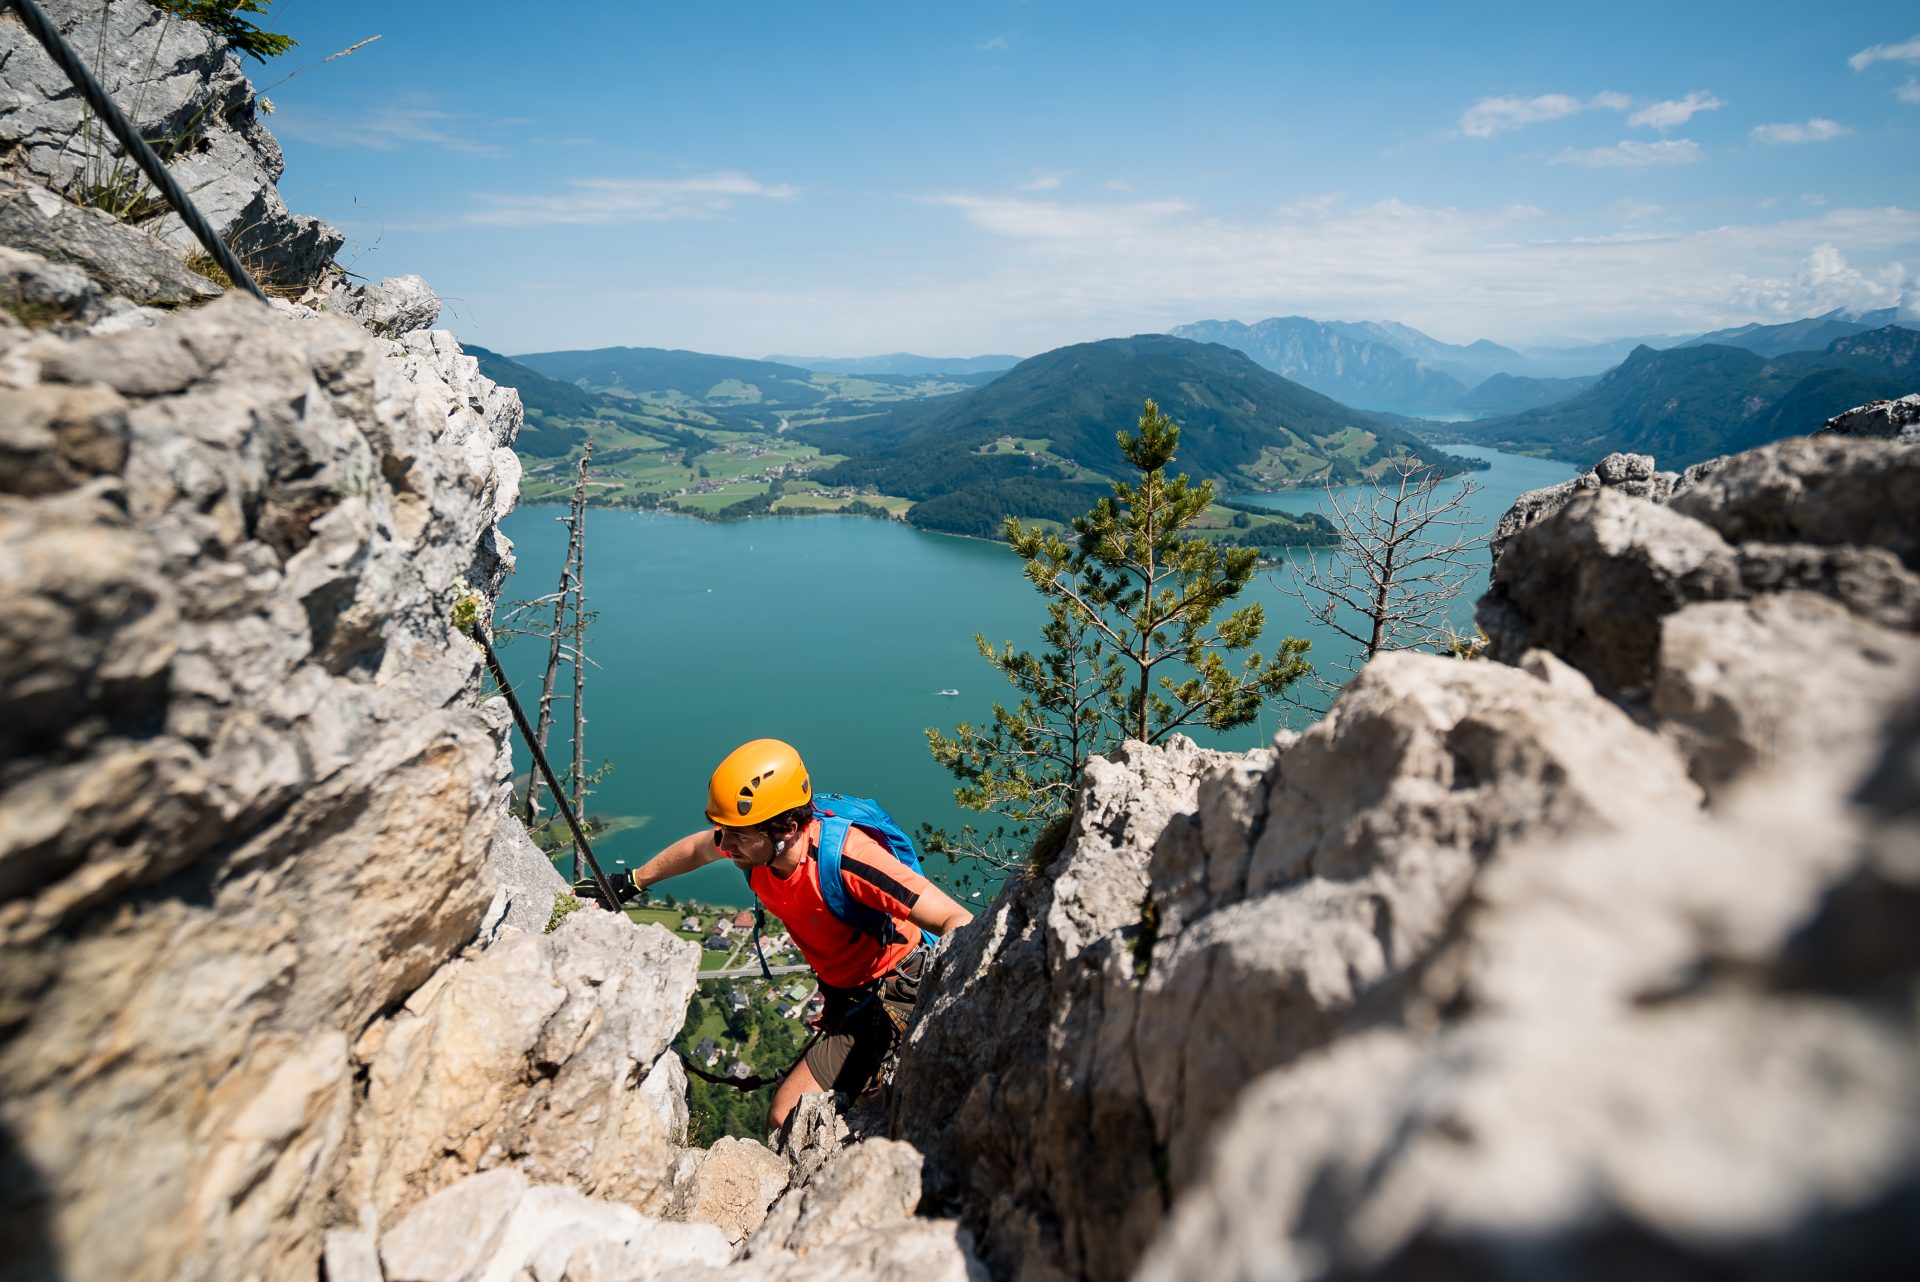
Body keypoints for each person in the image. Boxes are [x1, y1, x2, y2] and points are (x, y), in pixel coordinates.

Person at [575, 738, 973, 1129]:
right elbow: (698, 849)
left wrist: (961, 1008)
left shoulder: (848, 859)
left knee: (786, 1116)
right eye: (723, 830)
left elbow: (955, 918)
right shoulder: (754, 845)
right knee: (845, 1103)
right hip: (846, 996)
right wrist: (630, 882)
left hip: (894, 995)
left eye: (736, 834)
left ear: (789, 827)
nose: (725, 845)